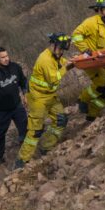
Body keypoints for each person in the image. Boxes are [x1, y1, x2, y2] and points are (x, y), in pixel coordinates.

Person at [15, 33, 72, 169]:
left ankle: (46, 146)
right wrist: (68, 67)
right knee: (35, 130)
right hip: (37, 98)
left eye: (63, 50)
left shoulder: (56, 55)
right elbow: (53, 78)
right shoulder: (44, 59)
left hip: (50, 95)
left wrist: (75, 61)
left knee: (61, 120)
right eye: (60, 49)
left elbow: (62, 62)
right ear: (53, 45)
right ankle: (22, 160)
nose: (61, 52)